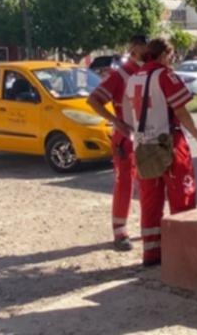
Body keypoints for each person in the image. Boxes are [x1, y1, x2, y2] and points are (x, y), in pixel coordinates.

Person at [122, 38, 197, 267]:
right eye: (170, 56)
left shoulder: (133, 79)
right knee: (183, 199)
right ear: (164, 55)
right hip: (169, 145)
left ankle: (152, 253)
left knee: (150, 203)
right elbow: (181, 113)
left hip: (143, 147)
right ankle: (183, 254)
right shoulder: (165, 76)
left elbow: (130, 117)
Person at [86, 35, 149, 252]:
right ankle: (120, 232)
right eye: (141, 53)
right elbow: (93, 100)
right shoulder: (119, 76)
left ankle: (149, 228)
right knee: (124, 184)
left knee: (148, 183)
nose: (145, 57)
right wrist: (116, 122)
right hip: (126, 139)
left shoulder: (148, 72)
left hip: (146, 138)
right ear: (132, 51)